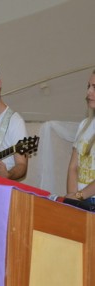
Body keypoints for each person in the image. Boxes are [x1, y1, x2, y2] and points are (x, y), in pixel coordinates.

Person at [66, 69, 95, 202]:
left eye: (94, 87)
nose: (89, 92)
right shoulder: (84, 124)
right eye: (88, 86)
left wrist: (80, 196)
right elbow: (73, 167)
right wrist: (73, 196)